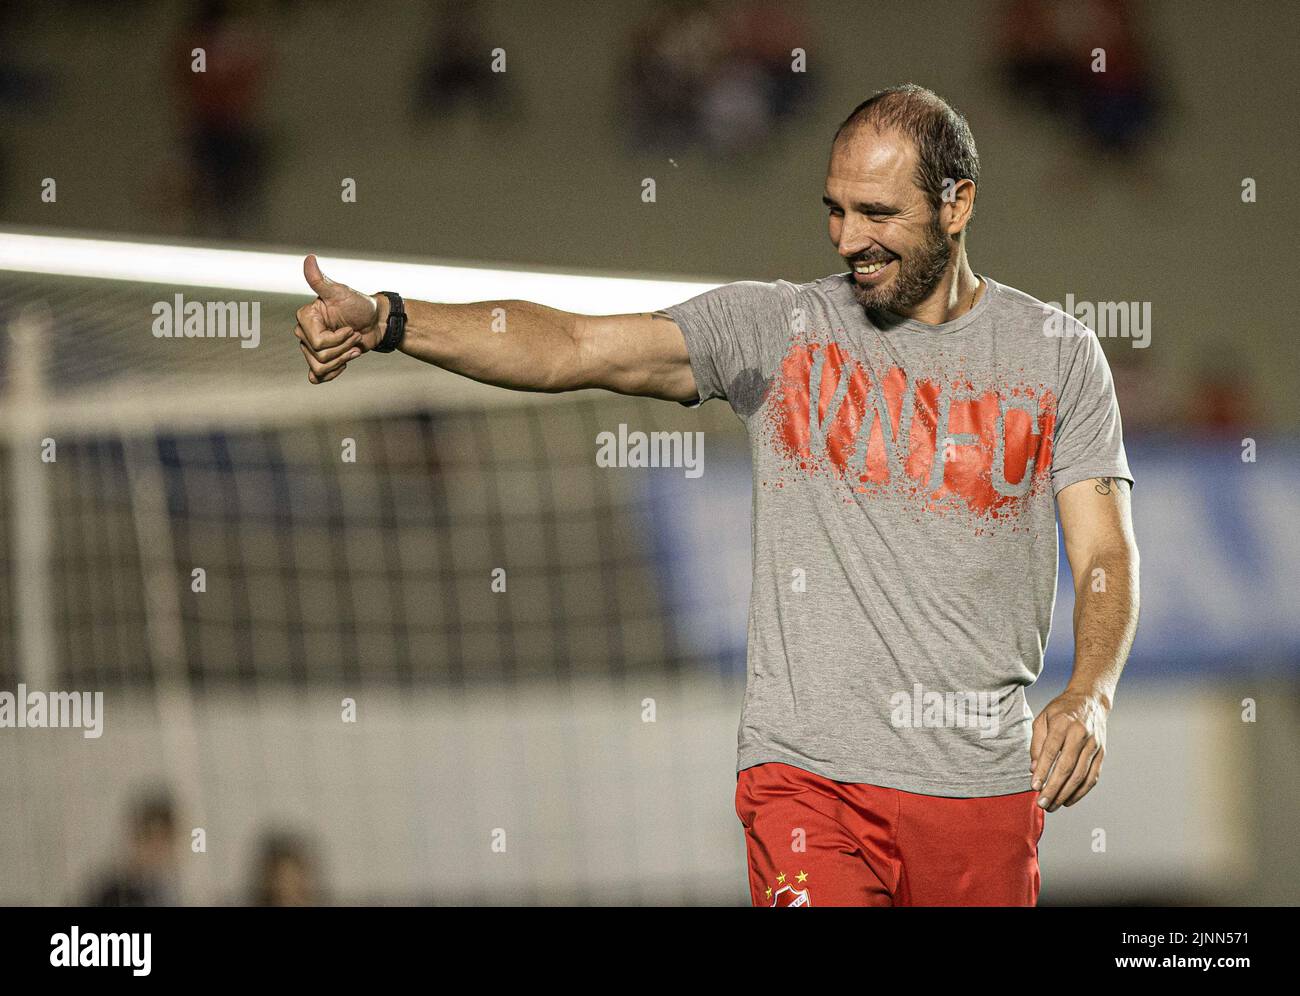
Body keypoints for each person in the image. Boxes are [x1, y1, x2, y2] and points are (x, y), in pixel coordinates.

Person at [290, 84, 1140, 907]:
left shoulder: (1055, 357)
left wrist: (1090, 694)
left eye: (878, 214)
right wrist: (393, 321)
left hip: (979, 791)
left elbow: (1103, 553)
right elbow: (574, 345)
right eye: (835, 211)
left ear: (957, 205)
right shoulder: (775, 330)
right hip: (808, 785)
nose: (848, 239)